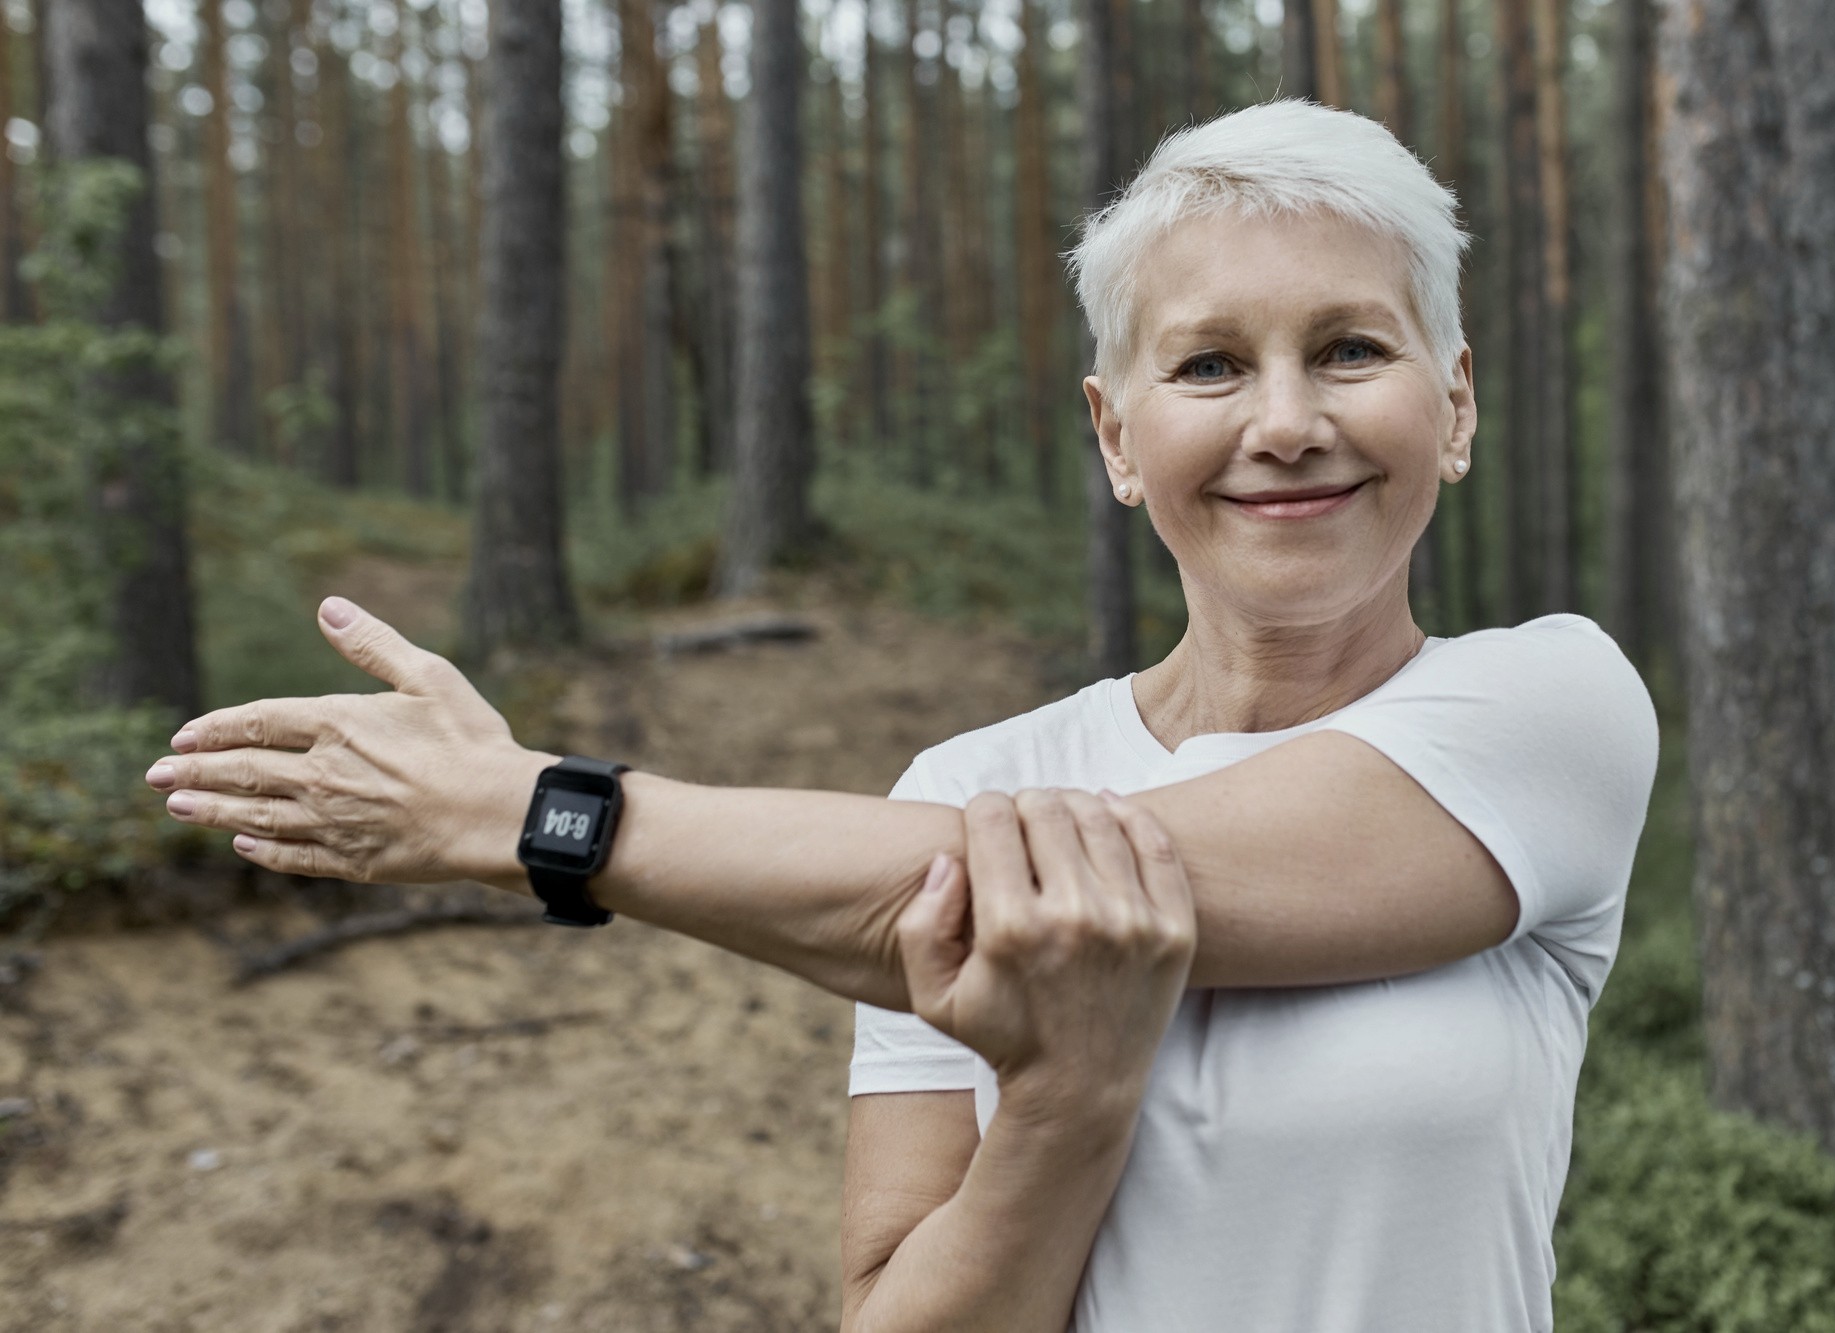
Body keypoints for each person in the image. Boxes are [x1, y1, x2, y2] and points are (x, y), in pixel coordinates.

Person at [142, 99, 1657, 1332]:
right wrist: (1068, 1101)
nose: (1284, 421)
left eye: (1350, 348)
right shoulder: (970, 780)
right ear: (1117, 434)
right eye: (1208, 364)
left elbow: (1039, 887)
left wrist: (535, 814)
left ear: (1452, 404)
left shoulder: (1553, 708)